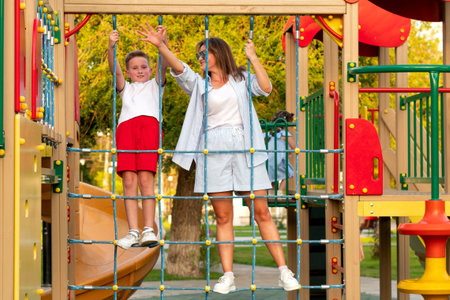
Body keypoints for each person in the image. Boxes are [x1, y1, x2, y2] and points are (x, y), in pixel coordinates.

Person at [138, 23, 299, 294]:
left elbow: (266, 87)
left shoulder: (240, 79)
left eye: (204, 53)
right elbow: (180, 69)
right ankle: (227, 275)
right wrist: (161, 46)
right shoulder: (200, 86)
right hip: (213, 149)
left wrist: (254, 57)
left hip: (244, 146)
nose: (200, 58)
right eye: (199, 55)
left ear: (218, 53)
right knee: (223, 217)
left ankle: (284, 271)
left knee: (261, 212)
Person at [107, 26, 168, 250]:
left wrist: (163, 42)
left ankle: (148, 229)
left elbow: (165, 64)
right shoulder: (126, 89)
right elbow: (115, 72)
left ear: (150, 70)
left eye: (144, 67)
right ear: (129, 72)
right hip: (127, 130)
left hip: (149, 129)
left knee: (145, 179)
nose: (140, 71)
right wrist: (110, 48)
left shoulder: (155, 86)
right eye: (135, 68)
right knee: (129, 181)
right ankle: (133, 231)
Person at [267, 110, 296, 194]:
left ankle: (271, 194)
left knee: (272, 178)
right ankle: (280, 192)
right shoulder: (285, 134)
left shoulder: (269, 134)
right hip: (278, 160)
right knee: (288, 173)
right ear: (287, 123)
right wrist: (289, 152)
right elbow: (294, 147)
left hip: (268, 162)